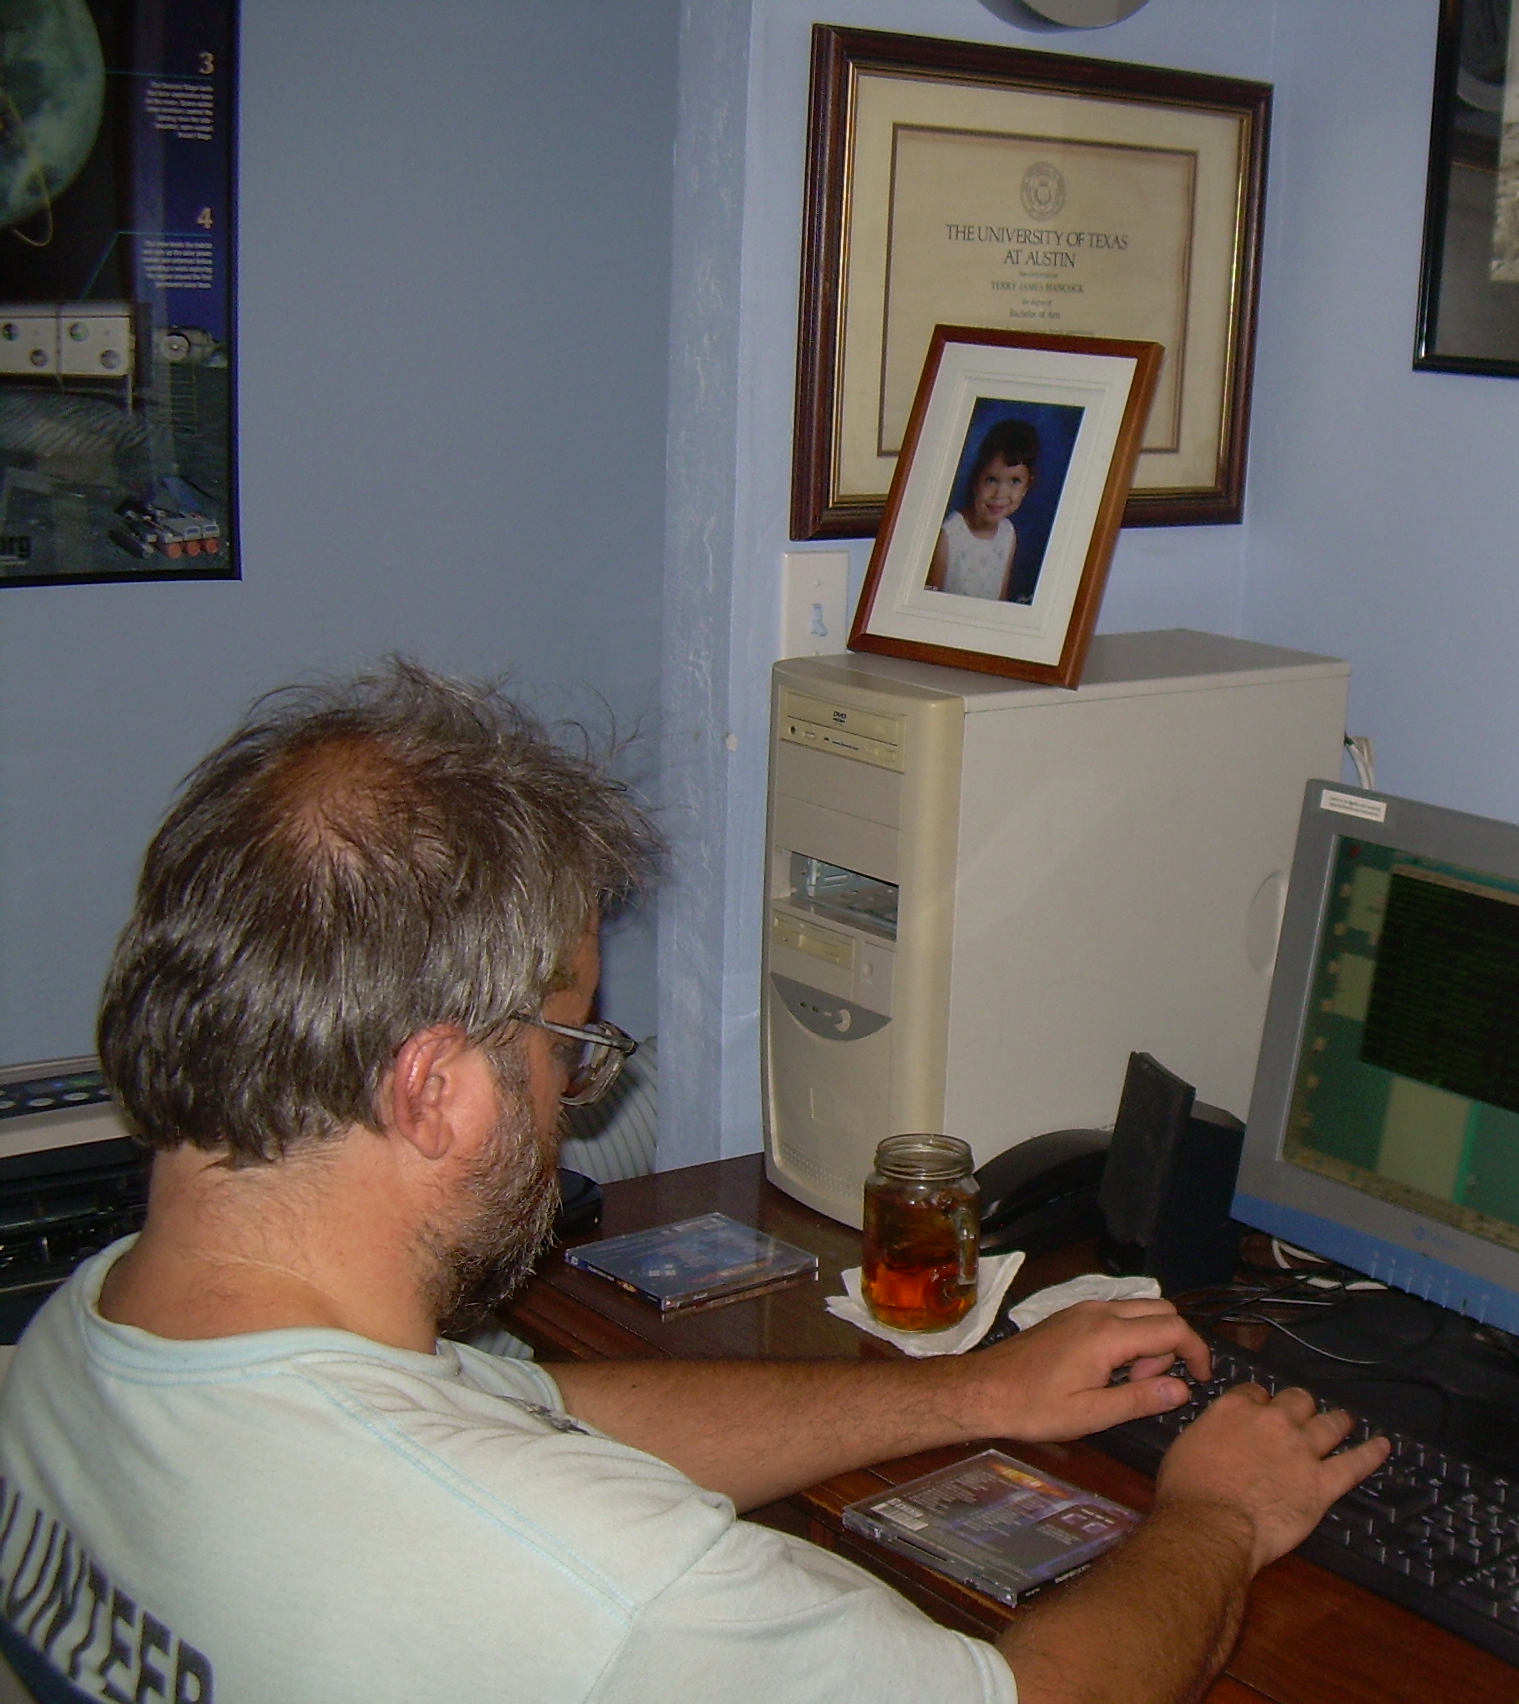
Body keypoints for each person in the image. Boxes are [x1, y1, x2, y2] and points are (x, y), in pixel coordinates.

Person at [0, 662, 1390, 1704]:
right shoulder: (609, 1589)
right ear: (434, 1091)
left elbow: (539, 1412)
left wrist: (968, 1394)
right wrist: (1219, 1515)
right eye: (568, 1046)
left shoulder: (94, 1336)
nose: (573, 1096)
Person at [930, 418, 1040, 601]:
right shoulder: (949, 534)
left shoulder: (1008, 533)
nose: (1000, 494)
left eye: (1015, 481)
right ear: (975, 480)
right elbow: (930, 599)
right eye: (991, 480)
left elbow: (1000, 598)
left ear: (1027, 486)